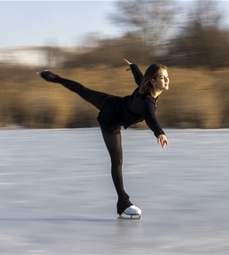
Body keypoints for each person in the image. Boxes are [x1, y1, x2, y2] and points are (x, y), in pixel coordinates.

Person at [38, 58, 169, 219]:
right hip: (111, 119)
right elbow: (150, 118)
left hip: (111, 101)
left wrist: (133, 66)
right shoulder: (147, 102)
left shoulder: (146, 87)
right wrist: (159, 132)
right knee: (117, 161)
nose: (167, 80)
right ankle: (123, 203)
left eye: (167, 76)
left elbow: (139, 77)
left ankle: (51, 77)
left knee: (83, 90)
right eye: (163, 77)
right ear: (153, 81)